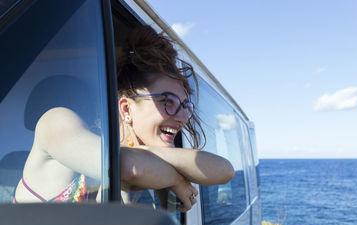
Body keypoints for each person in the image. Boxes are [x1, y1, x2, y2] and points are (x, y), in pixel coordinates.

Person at [14, 25, 234, 212]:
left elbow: (224, 170)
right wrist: (176, 179)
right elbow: (127, 167)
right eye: (167, 101)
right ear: (126, 109)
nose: (183, 118)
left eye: (185, 106)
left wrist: (155, 160)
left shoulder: (153, 165)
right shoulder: (55, 122)